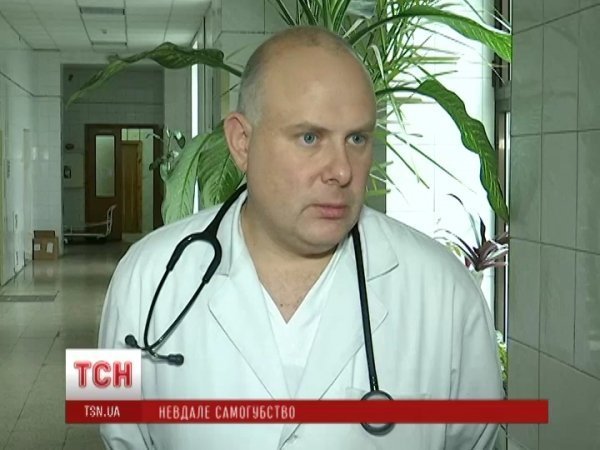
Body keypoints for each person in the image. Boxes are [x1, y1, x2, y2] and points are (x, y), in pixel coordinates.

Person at [98, 25, 503, 450]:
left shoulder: (446, 291)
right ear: (242, 142)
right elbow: (108, 424)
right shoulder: (141, 276)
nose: (342, 171)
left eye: (357, 139)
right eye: (310, 138)